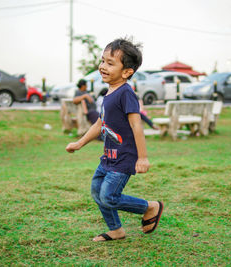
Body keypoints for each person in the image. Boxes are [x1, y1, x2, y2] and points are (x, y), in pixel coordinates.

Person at [66, 38, 164, 242]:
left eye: (110, 63)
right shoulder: (109, 93)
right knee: (97, 191)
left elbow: (137, 125)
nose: (103, 66)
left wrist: (143, 158)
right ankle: (116, 230)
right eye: (103, 61)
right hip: (108, 157)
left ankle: (151, 207)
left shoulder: (126, 93)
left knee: (109, 196)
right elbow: (100, 124)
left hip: (123, 158)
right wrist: (79, 143)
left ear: (127, 71)